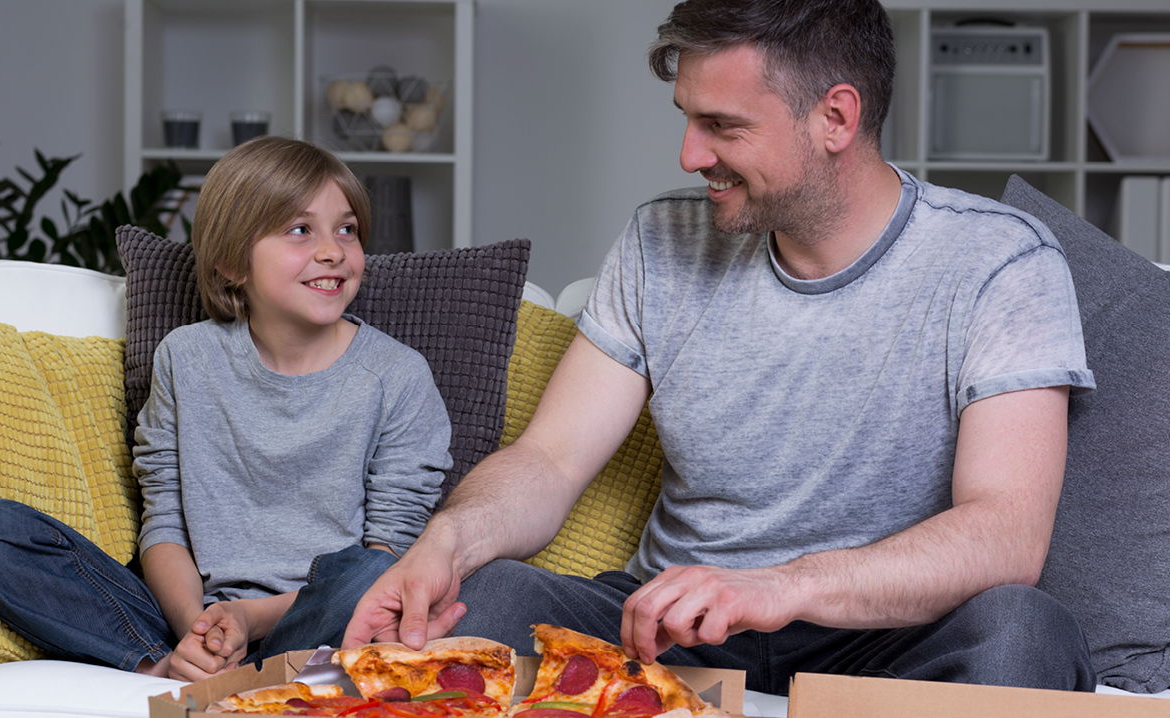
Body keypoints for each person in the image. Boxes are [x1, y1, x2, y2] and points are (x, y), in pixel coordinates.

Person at [340, 0, 1099, 695]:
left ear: (835, 118)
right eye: (687, 119)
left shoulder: (998, 261)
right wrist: (446, 542)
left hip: (881, 638)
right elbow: (551, 460)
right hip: (669, 629)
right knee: (486, 596)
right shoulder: (660, 239)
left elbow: (1005, 531)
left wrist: (780, 587)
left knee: (1023, 628)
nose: (689, 154)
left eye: (724, 126)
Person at [0, 136, 453, 681]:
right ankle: (166, 666)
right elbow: (165, 524)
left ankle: (247, 674)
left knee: (371, 571)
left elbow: (391, 560)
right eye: (300, 230)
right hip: (188, 613)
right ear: (231, 262)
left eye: (347, 229)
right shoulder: (186, 357)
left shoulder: (398, 376)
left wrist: (246, 618)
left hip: (317, 619)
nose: (333, 251)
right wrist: (198, 630)